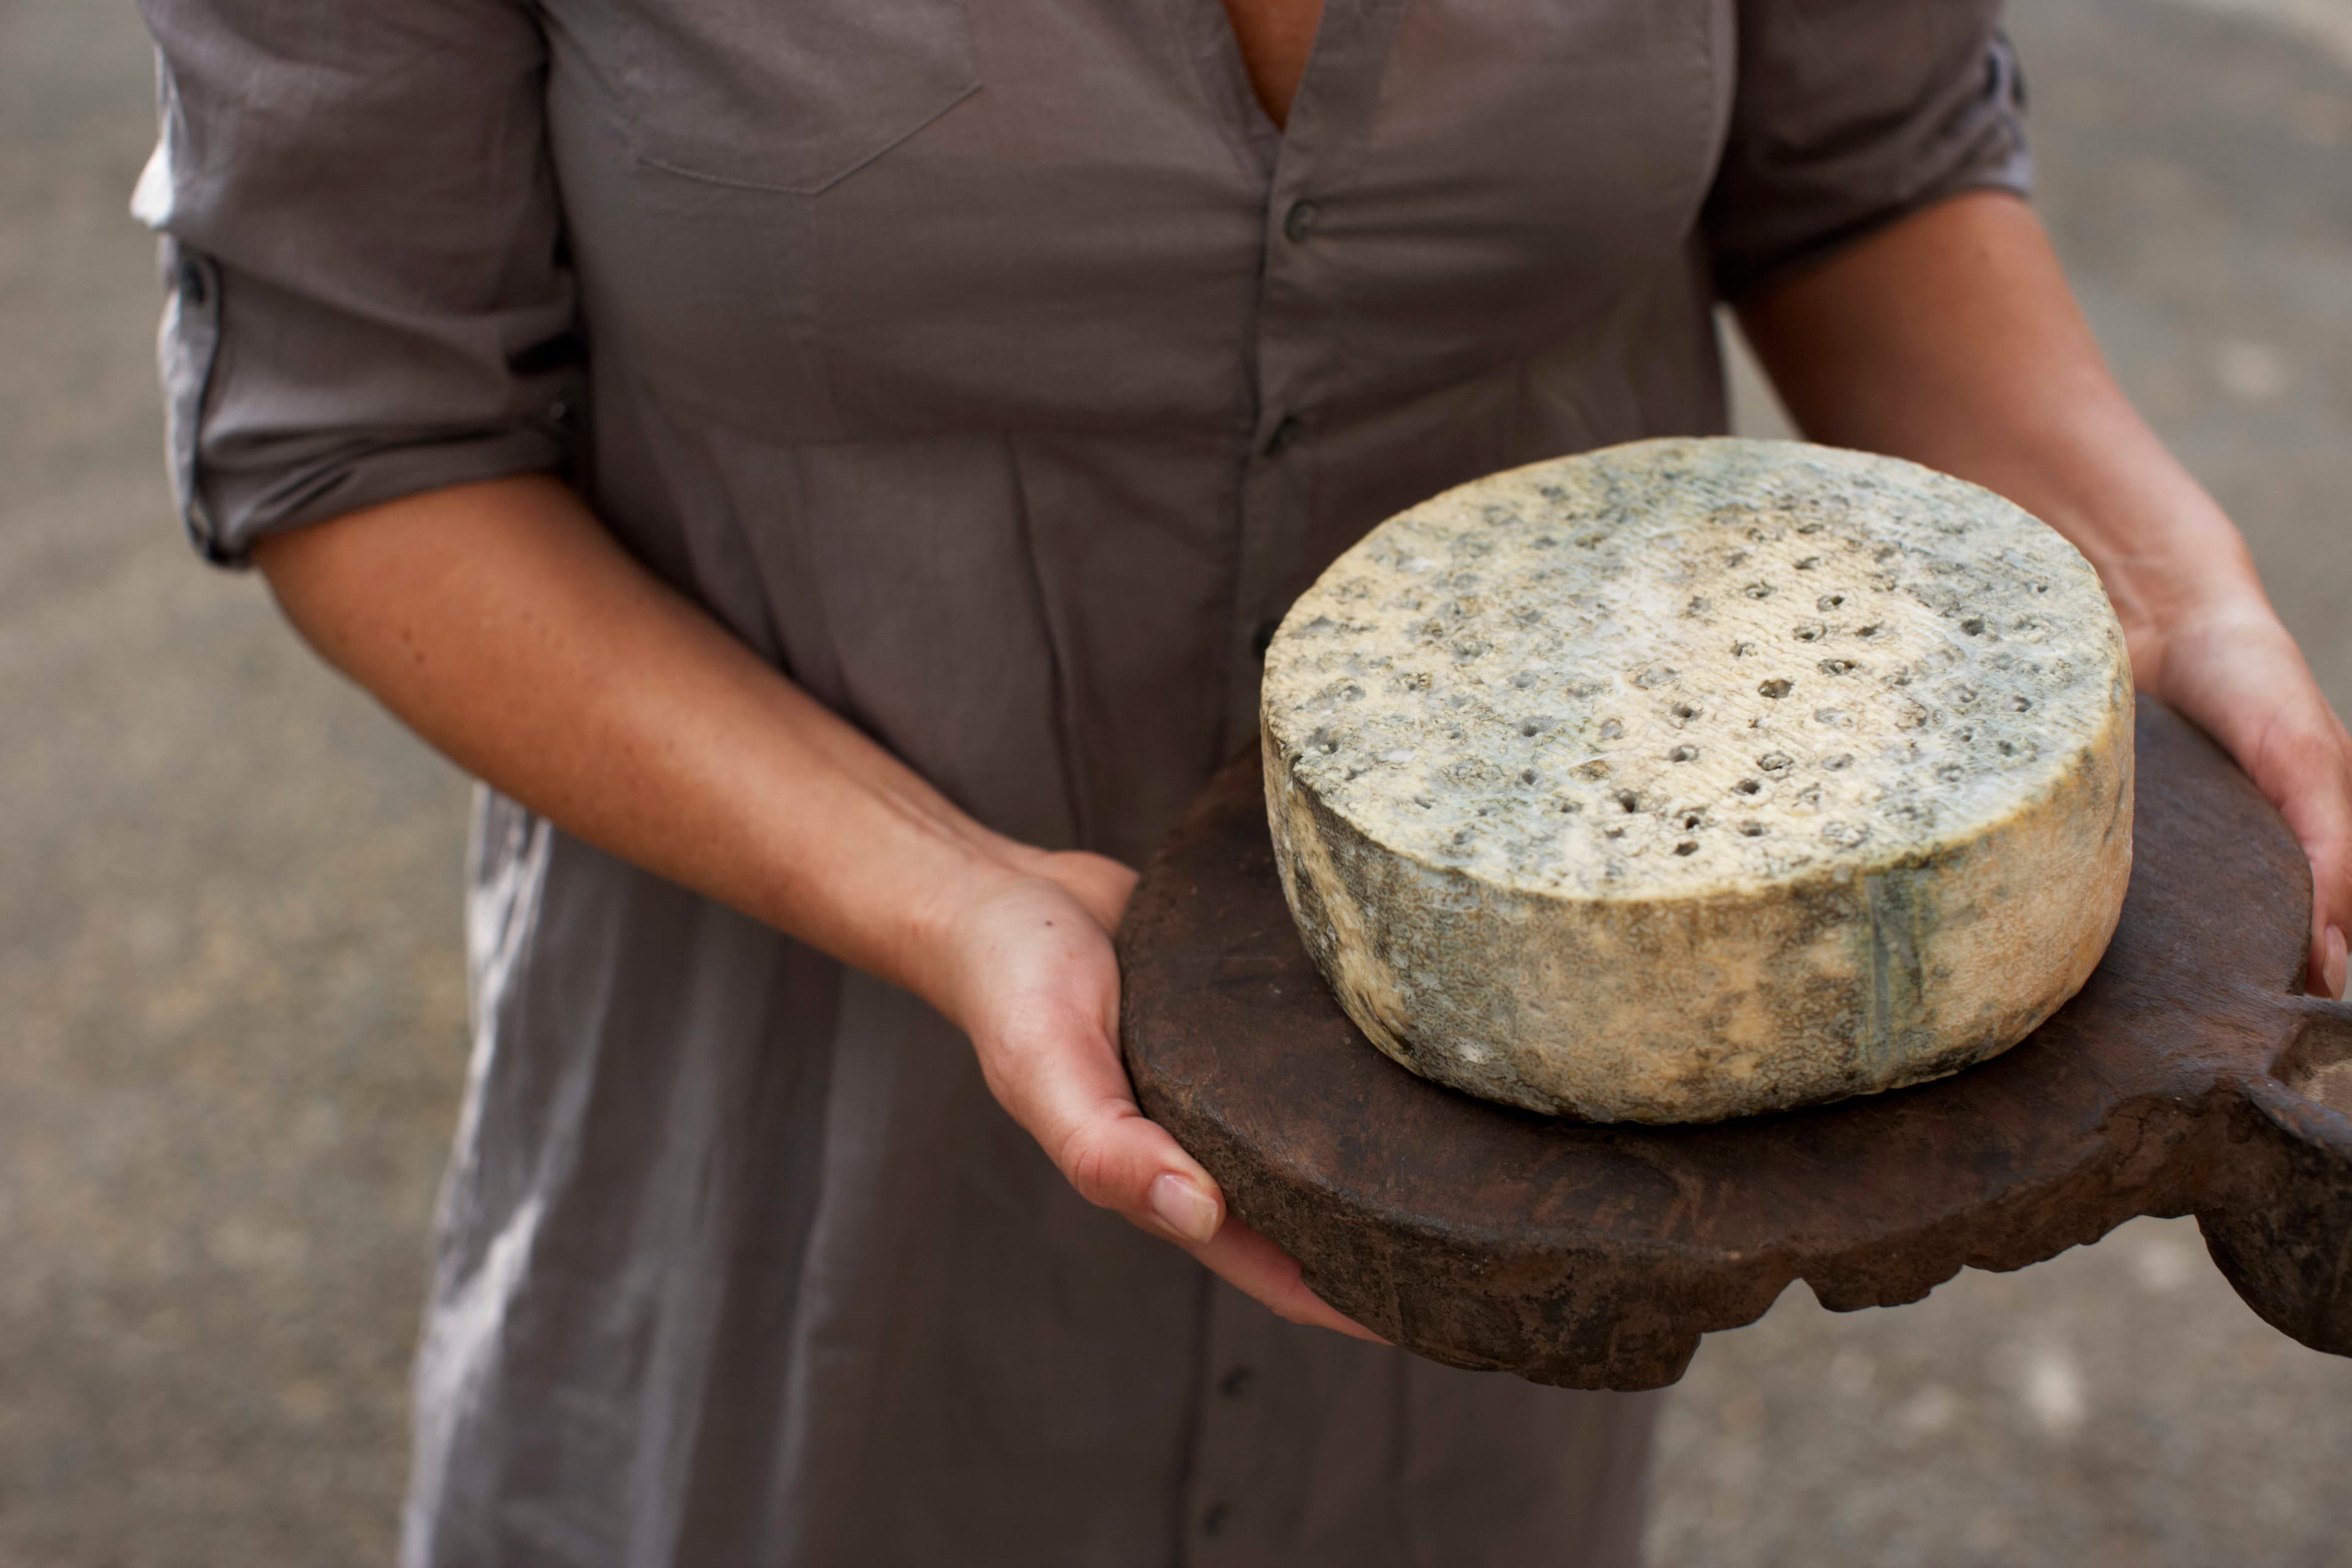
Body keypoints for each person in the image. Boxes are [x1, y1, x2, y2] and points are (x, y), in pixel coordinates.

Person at [132, 0, 2352, 1562]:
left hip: (1512, 1126)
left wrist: (2172, 588)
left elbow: (1859, 176)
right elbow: (365, 436)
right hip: (793, 1160)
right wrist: (944, 889)